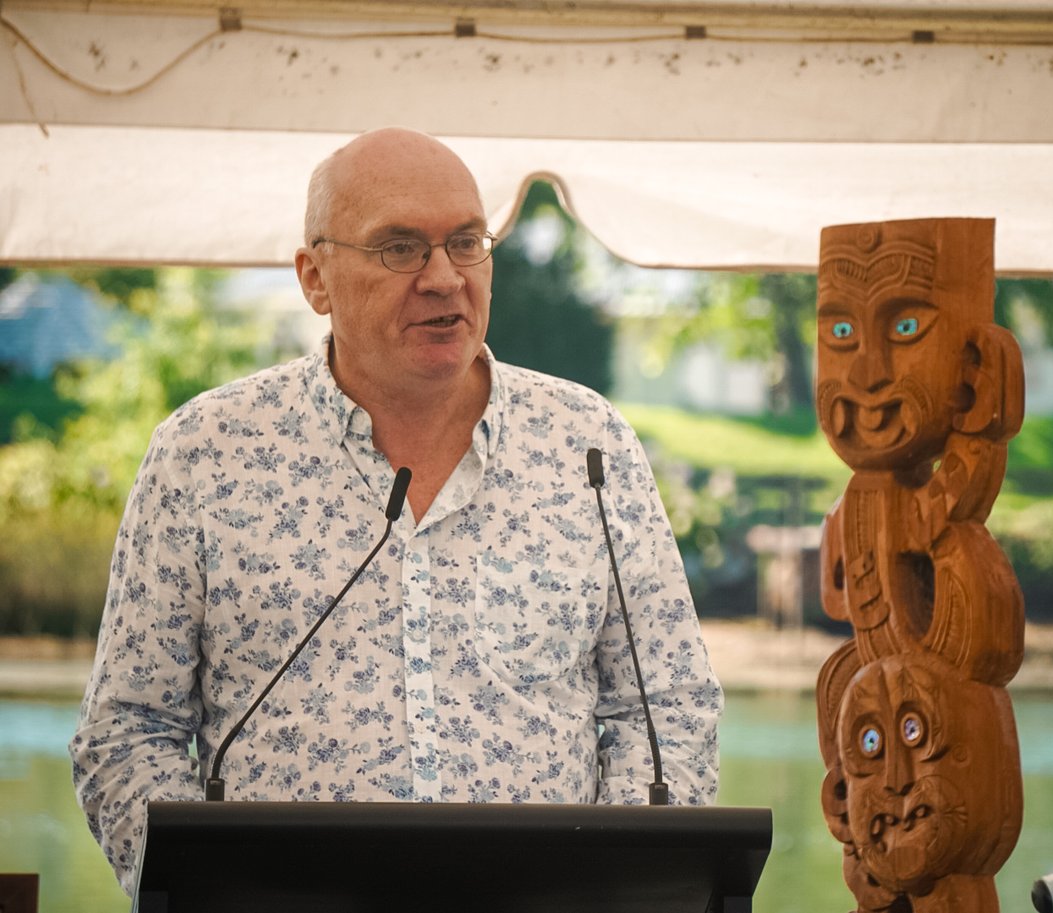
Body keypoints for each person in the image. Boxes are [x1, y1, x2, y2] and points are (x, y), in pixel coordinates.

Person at [70, 127, 723, 894]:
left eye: (467, 242)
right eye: (401, 247)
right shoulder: (205, 455)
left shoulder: (590, 447)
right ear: (315, 278)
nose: (445, 277)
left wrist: (608, 893)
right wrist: (216, 888)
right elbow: (127, 731)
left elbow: (668, 711)